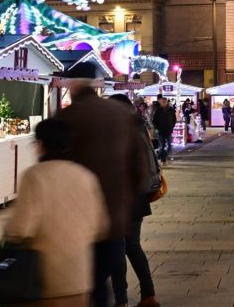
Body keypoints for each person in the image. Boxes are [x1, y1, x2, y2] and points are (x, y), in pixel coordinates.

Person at [55, 63, 142, 307]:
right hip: (114, 219)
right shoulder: (121, 114)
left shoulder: (67, 118)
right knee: (99, 284)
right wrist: (124, 201)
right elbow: (140, 169)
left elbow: (58, 169)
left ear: (74, 85)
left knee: (84, 285)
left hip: (76, 221)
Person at [3, 118, 109, 307]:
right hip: (79, 279)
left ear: (41, 144)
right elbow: (101, 227)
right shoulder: (86, 176)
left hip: (42, 281)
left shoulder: (35, 176)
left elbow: (19, 229)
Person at [109, 94, 160, 307]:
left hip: (122, 195)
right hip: (138, 196)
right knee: (132, 246)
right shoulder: (139, 127)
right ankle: (148, 294)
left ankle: (121, 299)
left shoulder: (119, 130)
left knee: (117, 248)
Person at [152, 94, 176, 161]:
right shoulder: (158, 110)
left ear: (167, 102)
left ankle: (163, 156)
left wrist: (172, 126)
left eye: (165, 102)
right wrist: (156, 128)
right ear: (160, 102)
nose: (163, 103)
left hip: (169, 130)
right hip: (160, 131)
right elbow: (154, 120)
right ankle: (162, 158)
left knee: (169, 146)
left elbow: (174, 119)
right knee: (161, 146)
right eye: (162, 102)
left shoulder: (171, 110)